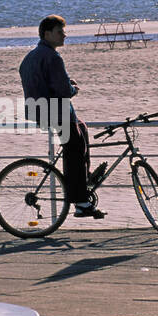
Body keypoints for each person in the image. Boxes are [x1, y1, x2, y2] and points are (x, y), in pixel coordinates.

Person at [18, 15, 104, 219]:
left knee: (81, 129)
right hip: (57, 113)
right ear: (47, 34)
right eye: (60, 31)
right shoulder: (53, 57)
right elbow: (64, 91)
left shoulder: (31, 56)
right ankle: (81, 202)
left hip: (41, 111)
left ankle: (85, 176)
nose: (64, 35)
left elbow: (43, 82)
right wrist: (73, 88)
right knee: (73, 153)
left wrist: (64, 84)